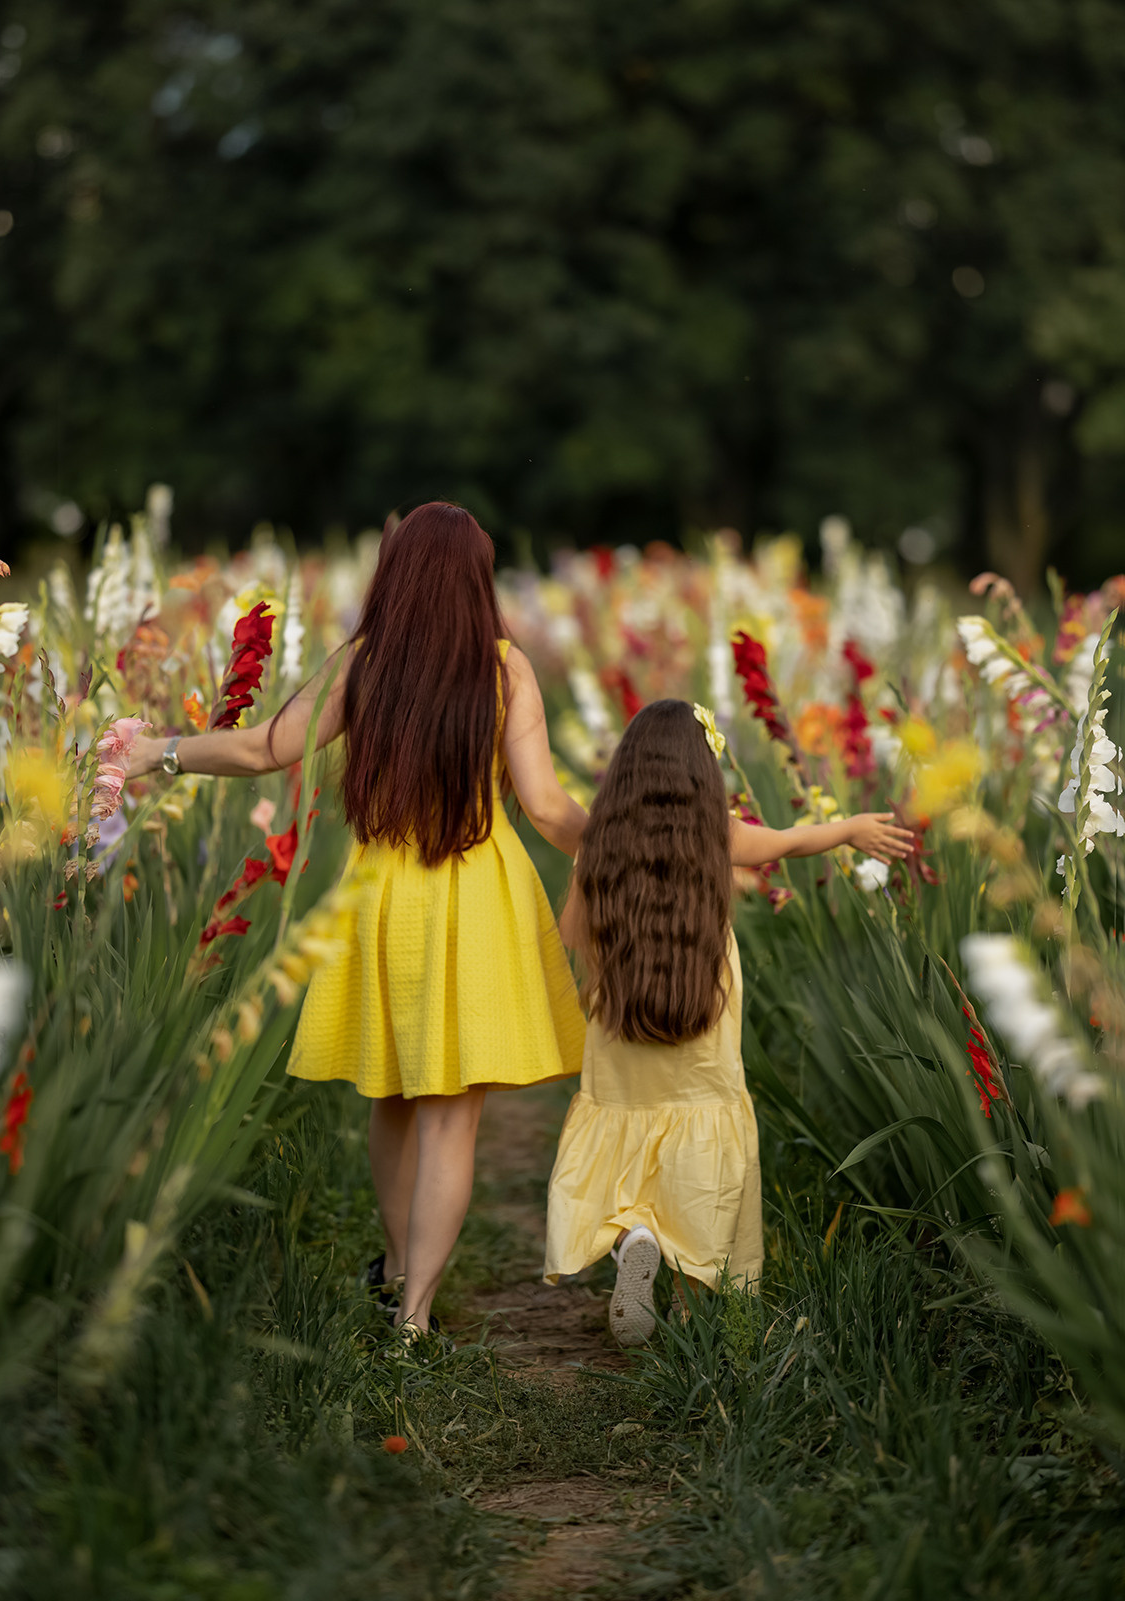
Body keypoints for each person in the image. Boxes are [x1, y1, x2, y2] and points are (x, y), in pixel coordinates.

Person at [128, 503, 588, 1341]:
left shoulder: (365, 663)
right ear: (477, 581)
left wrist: (155, 752)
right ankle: (413, 1320)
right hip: (479, 894)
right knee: (453, 1114)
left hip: (384, 898)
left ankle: (399, 1266)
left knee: (395, 1092)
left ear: (397, 574)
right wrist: (645, 823)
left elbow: (265, 748)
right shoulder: (504, 669)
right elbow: (551, 809)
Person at [545, 699, 915, 1345]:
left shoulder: (600, 842)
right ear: (701, 771)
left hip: (620, 1035)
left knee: (625, 1138)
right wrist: (851, 826)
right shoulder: (719, 833)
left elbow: (573, 931)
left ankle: (634, 1236)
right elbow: (794, 841)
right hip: (702, 1032)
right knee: (702, 1155)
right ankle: (690, 1306)